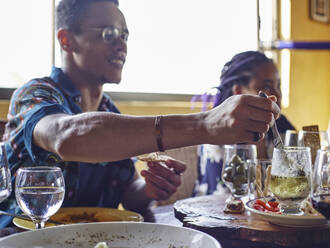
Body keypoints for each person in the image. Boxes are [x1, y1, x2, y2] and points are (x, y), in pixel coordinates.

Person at [0, 0, 280, 228]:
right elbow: (66, 136)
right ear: (66, 40)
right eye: (109, 33)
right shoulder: (34, 95)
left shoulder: (109, 111)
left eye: (125, 35)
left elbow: (128, 195)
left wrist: (151, 189)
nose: (121, 44)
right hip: (22, 239)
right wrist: (207, 122)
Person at [195, 51, 296, 195]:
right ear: (238, 92)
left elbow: (298, 180)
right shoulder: (217, 133)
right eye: (266, 87)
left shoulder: (283, 127)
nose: (277, 94)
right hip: (213, 212)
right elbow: (226, 195)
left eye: (278, 86)